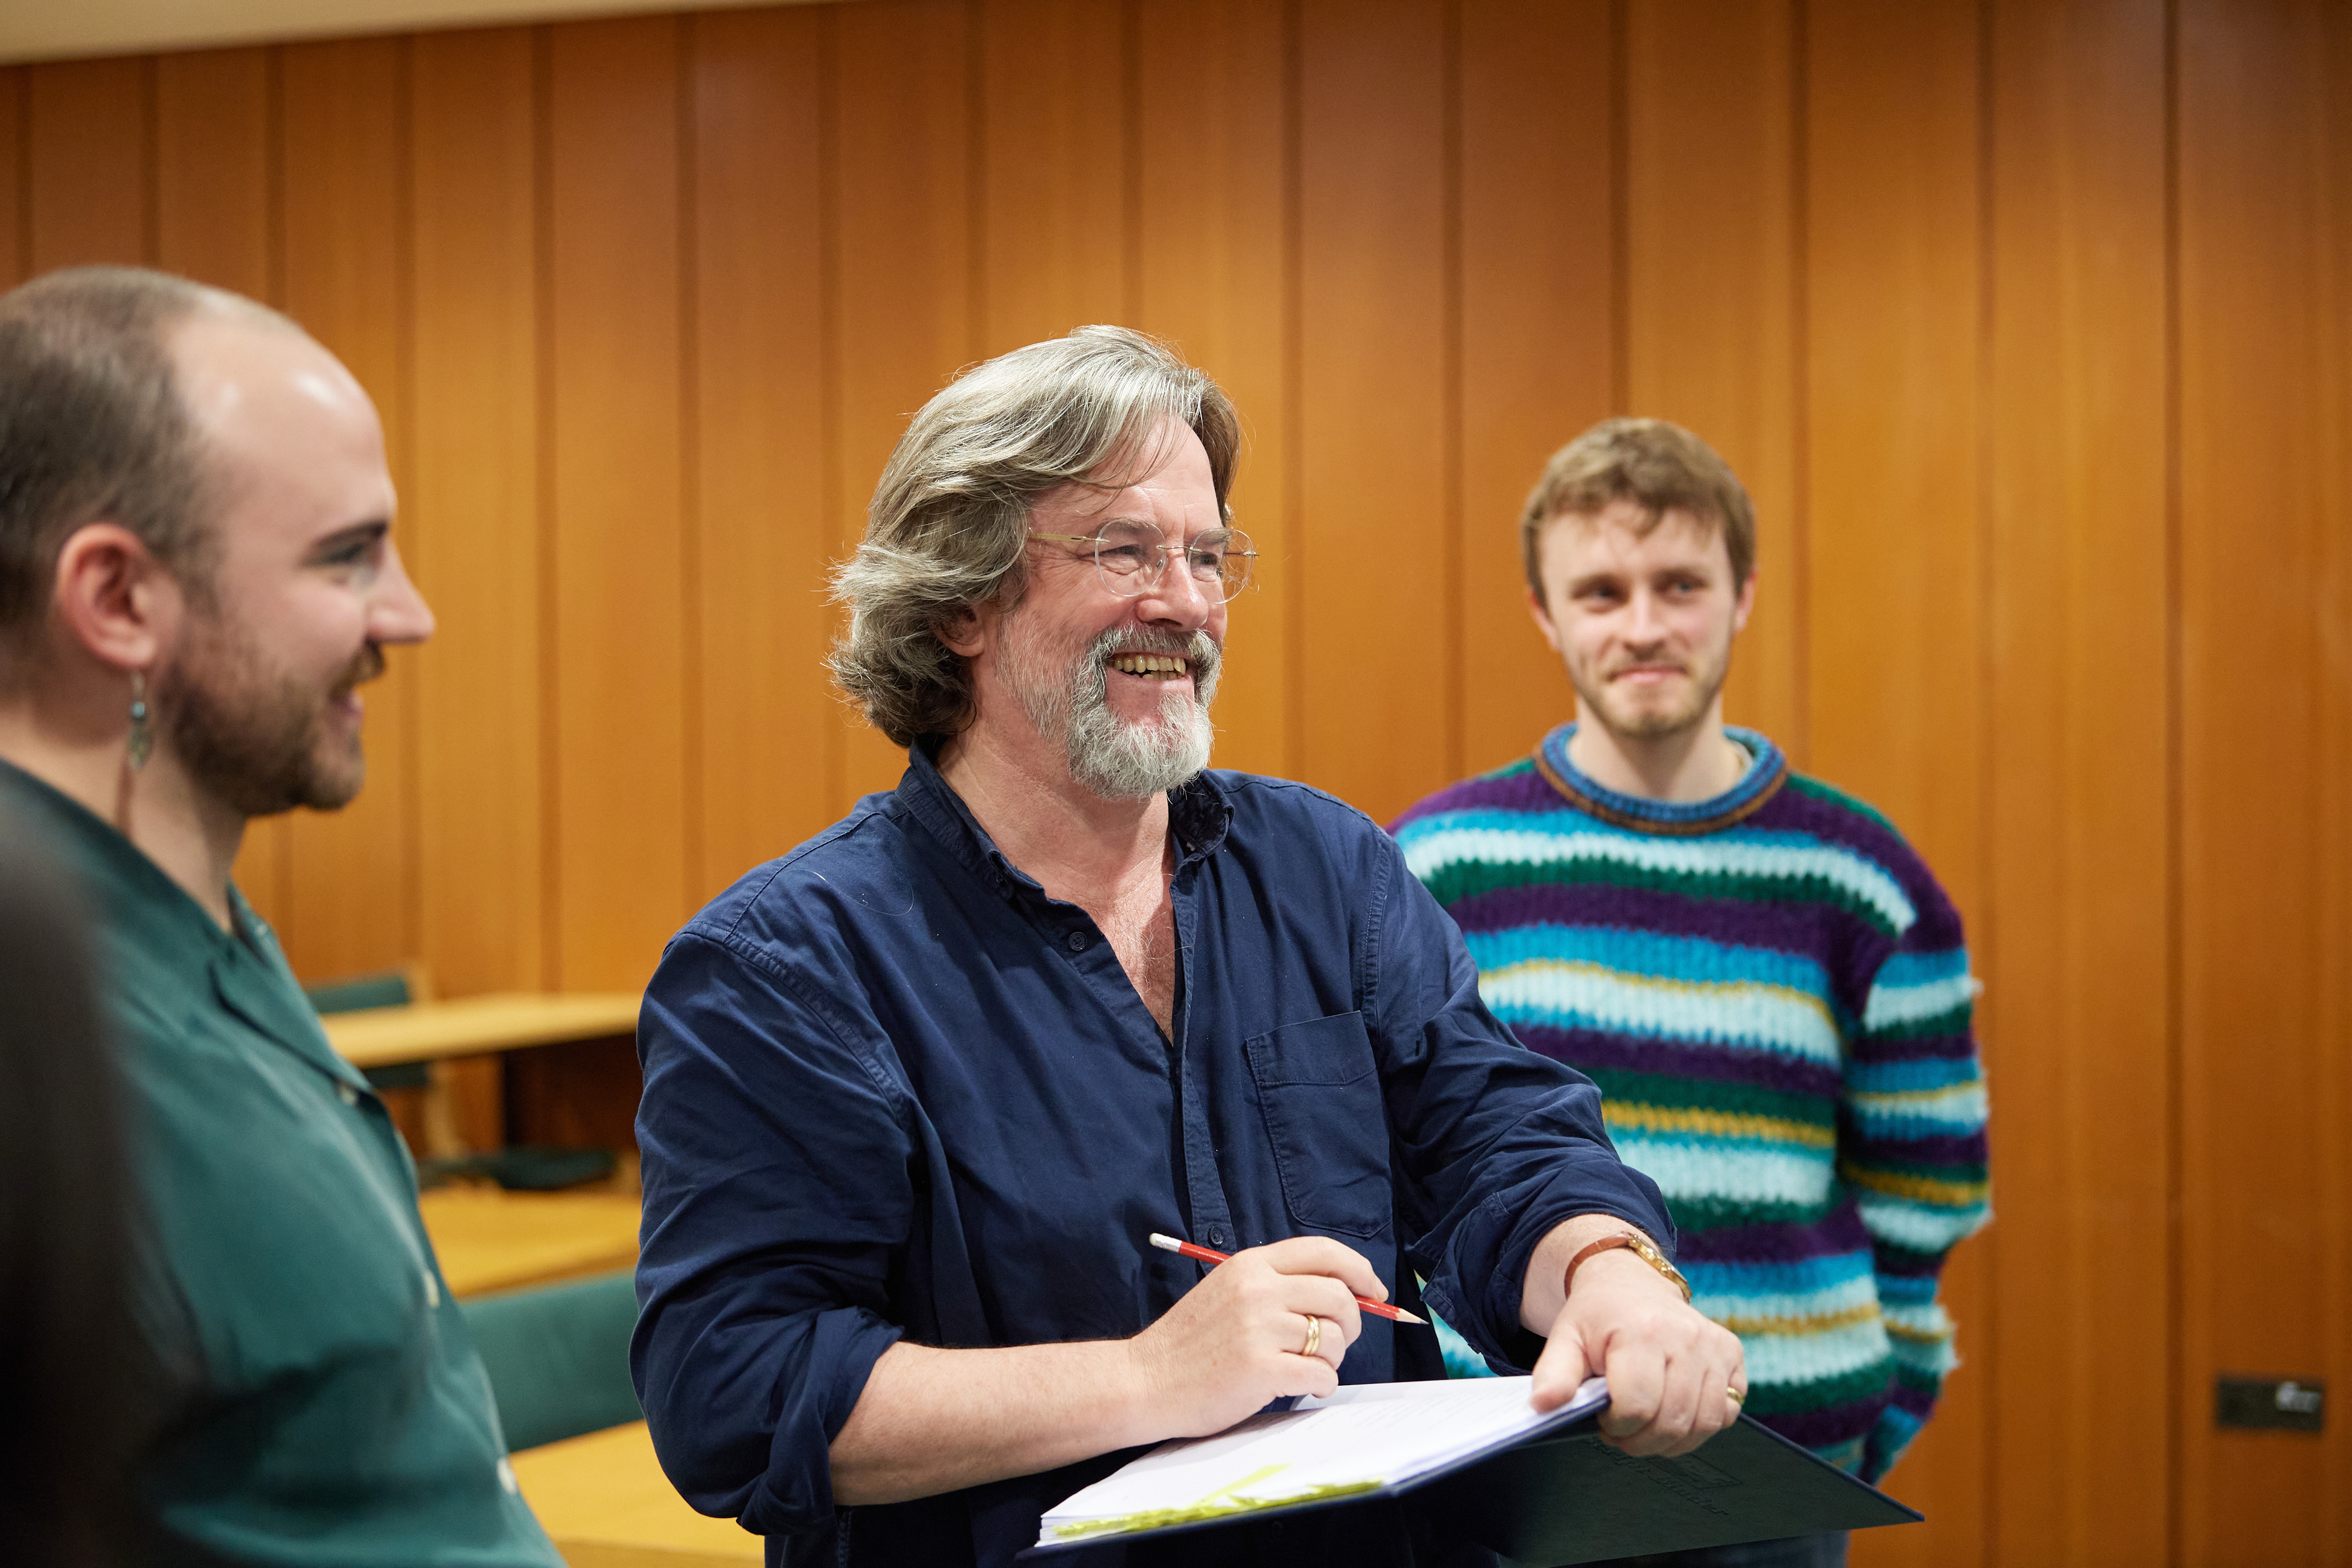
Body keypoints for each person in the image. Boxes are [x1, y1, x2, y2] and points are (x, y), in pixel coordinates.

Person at [632, 327, 1747, 1568]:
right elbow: (737, 1387)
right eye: (1126, 549)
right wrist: (1149, 1378)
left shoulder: (1327, 868)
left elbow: (1498, 1142)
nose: (1186, 600)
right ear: (961, 599)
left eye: (1208, 556)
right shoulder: (787, 967)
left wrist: (1608, 1271)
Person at [0, 266, 561, 1565]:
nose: (407, 617)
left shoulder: (199, 928)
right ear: (119, 601)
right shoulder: (38, 1004)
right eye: (347, 556)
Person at [1391, 419, 1992, 1565]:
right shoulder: (1431, 864)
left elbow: (1929, 1196)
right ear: (1545, 613)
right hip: (1508, 1467)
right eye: (1603, 591)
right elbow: (1394, 1167)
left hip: (1780, 1476)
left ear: (1742, 593)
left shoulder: (1862, 880)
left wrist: (1877, 1408)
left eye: (1680, 584)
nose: (1646, 626)